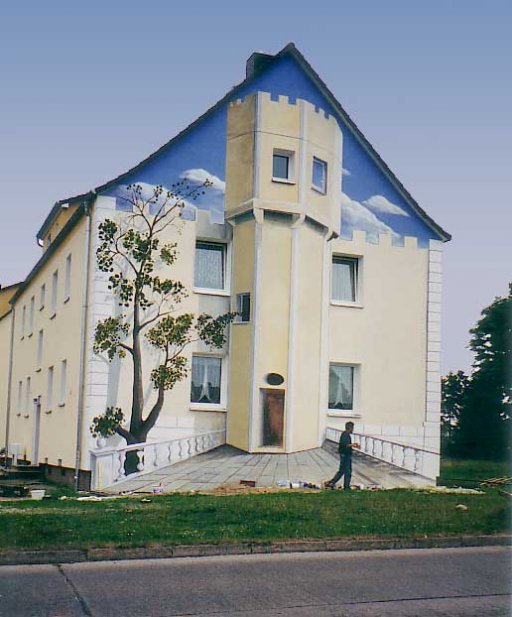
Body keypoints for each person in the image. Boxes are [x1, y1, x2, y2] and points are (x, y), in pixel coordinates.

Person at [324, 421, 360, 490]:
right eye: (352, 428)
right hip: (345, 455)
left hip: (345, 455)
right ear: (350, 428)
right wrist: (353, 445)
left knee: (342, 471)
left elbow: (345, 444)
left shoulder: (345, 434)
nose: (353, 430)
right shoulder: (345, 435)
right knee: (348, 471)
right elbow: (345, 444)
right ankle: (346, 486)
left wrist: (353, 445)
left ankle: (331, 482)